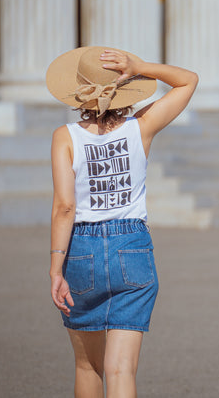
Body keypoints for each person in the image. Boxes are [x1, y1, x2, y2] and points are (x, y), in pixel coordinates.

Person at [46, 46, 198, 398]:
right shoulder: (141, 128)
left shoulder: (65, 137)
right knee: (121, 370)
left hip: (81, 251)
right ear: (126, 88)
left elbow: (64, 207)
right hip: (132, 248)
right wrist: (142, 66)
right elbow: (188, 81)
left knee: (87, 366)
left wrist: (56, 269)